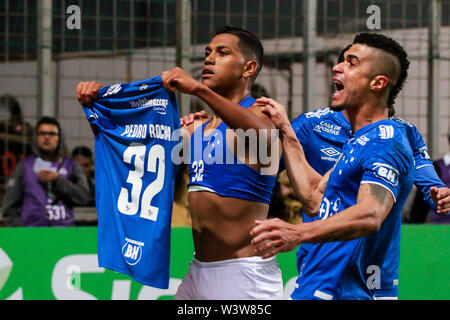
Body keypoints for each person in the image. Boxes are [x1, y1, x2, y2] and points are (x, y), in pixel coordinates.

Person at [76, 26, 283, 300]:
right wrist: (101, 103)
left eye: (223, 53)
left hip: (243, 274)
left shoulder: (260, 113)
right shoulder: (198, 127)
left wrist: (198, 89)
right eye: (207, 52)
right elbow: (138, 147)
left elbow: (263, 135)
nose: (209, 59)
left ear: (248, 68)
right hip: (199, 270)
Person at [250, 33, 421, 300]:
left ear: (378, 83)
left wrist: (297, 232)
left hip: (350, 292)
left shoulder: (386, 143)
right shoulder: (359, 141)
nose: (337, 66)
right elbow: (316, 199)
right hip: (318, 286)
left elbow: (370, 214)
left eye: (351, 63)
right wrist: (287, 132)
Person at [2, 116, 89, 226]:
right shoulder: (25, 165)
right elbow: (9, 208)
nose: (47, 137)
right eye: (42, 133)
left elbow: (83, 197)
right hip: (32, 235)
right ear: (36, 137)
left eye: (52, 134)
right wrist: (22, 232)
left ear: (60, 138)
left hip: (65, 235)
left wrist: (58, 181)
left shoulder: (71, 165)